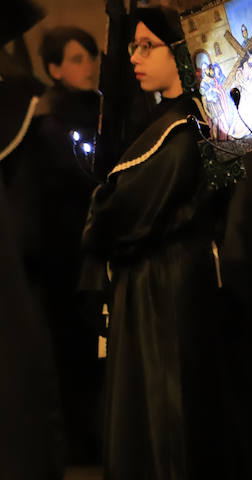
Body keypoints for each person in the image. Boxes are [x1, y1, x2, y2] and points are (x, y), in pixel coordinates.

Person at [80, 6, 241, 480]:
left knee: (168, 412)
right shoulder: (164, 121)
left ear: (180, 49)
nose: (136, 56)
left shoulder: (185, 125)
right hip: (151, 281)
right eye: (133, 46)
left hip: (166, 285)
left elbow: (125, 212)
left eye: (148, 45)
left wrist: (98, 211)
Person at [3, 26, 104, 464]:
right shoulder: (46, 128)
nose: (89, 67)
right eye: (77, 59)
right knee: (77, 358)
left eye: (91, 57)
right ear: (54, 69)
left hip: (98, 251)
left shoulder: (105, 108)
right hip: (67, 261)